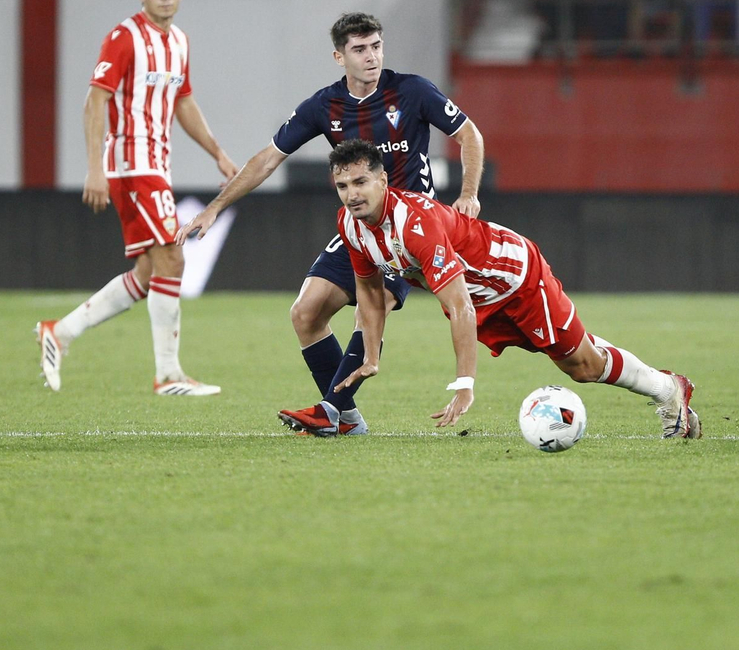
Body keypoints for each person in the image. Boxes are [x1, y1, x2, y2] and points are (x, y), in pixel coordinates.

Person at [177, 13, 485, 435]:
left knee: (369, 310)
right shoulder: (325, 106)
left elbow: (469, 134)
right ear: (340, 57)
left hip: (409, 230)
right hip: (361, 228)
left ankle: (329, 411)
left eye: (376, 46)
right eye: (360, 49)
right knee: (305, 313)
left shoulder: (411, 91)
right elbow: (268, 158)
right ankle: (345, 418)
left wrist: (468, 192)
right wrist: (215, 206)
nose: (372, 56)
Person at [289, 140, 702, 439]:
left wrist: (464, 383)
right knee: (579, 355)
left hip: (515, 277)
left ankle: (669, 389)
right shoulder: (350, 223)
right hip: (477, 296)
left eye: (361, 182)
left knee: (582, 368)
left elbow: (459, 306)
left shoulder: (415, 224)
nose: (352, 194)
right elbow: (369, 291)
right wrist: (372, 355)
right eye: (343, 187)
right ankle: (661, 385)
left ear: (382, 180)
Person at [35, 0, 238, 396]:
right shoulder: (124, 38)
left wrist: (218, 153)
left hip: (154, 164)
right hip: (131, 164)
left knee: (149, 272)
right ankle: (168, 374)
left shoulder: (179, 41)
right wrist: (94, 168)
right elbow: (95, 101)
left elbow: (183, 102)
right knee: (173, 256)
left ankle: (59, 332)